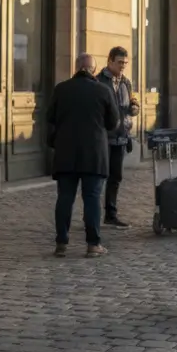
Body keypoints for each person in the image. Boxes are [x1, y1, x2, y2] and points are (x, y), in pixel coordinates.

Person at [46, 53, 120, 258]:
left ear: (76, 68)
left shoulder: (61, 89)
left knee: (65, 198)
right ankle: (93, 244)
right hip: (94, 154)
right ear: (93, 70)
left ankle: (61, 243)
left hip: (65, 152)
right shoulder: (102, 90)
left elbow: (49, 118)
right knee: (92, 199)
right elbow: (113, 123)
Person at [97, 46, 138, 229]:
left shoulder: (126, 82)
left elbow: (130, 103)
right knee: (98, 177)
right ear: (110, 61)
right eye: (120, 62)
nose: (123, 66)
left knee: (116, 177)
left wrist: (134, 107)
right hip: (103, 137)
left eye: (125, 63)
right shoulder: (98, 82)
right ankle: (92, 214)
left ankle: (110, 215)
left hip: (121, 137)